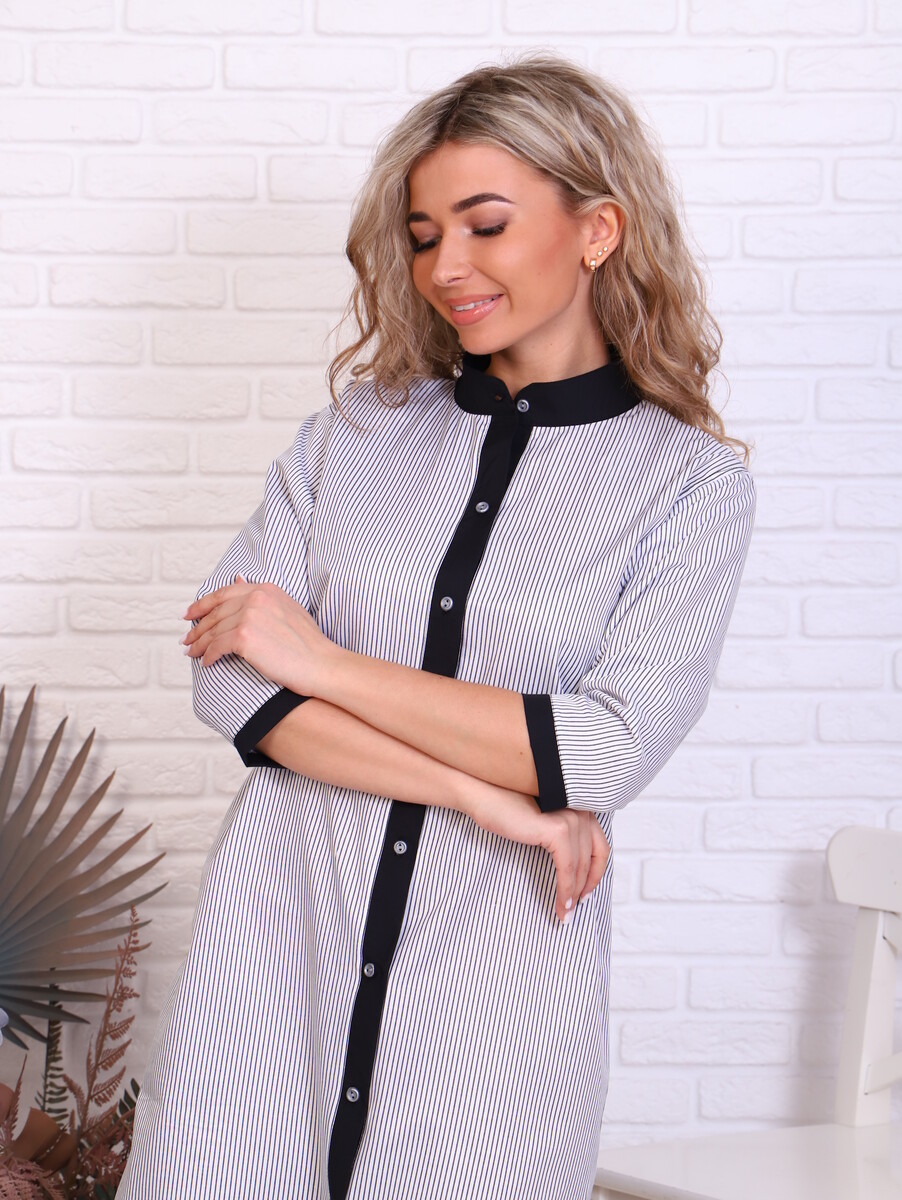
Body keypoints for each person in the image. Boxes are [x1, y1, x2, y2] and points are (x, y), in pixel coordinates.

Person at [119, 54, 755, 1200]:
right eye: (421, 236)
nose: (444, 266)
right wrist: (479, 792)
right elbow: (231, 684)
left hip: (488, 1020)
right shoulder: (351, 436)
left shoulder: (685, 486)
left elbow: (599, 751)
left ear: (597, 229)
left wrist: (320, 662)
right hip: (272, 979)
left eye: (484, 225)